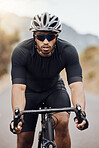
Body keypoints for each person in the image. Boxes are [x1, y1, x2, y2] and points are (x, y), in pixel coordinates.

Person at [10, 12, 88, 148]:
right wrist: (17, 118)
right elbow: (19, 88)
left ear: (56, 37)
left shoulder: (68, 51)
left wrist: (80, 113)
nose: (45, 41)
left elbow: (76, 86)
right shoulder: (21, 51)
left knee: (62, 123)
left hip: (54, 90)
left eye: (50, 37)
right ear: (34, 36)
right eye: (41, 36)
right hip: (30, 92)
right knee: (24, 140)